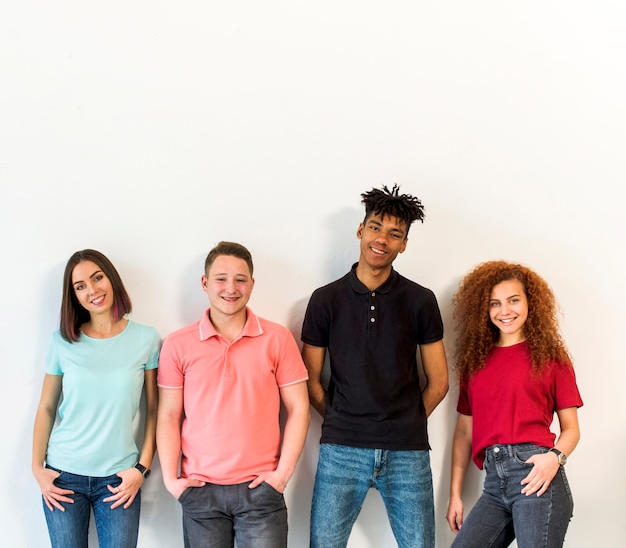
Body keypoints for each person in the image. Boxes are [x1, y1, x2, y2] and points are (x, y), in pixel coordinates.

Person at [301, 184, 449, 548]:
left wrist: (409, 422)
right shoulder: (325, 300)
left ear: (403, 244)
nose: (382, 238)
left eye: (395, 233)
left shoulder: (420, 300)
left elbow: (440, 381)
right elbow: (310, 379)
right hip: (342, 450)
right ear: (360, 229)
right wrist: (339, 419)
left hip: (407, 452)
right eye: (376, 226)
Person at [157, 241, 310, 548]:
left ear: (252, 285)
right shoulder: (178, 344)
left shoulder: (277, 338)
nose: (231, 288)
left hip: (261, 491)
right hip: (200, 491)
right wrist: (171, 482)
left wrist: (281, 476)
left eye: (240, 279)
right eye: (221, 278)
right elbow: (169, 414)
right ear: (205, 283)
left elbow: (299, 408)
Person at [446, 261, 583, 548]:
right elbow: (463, 433)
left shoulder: (551, 357)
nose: (504, 311)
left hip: (538, 476)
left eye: (513, 300)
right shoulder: (475, 362)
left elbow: (571, 429)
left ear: (530, 302)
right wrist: (455, 494)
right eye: (494, 303)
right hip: (494, 484)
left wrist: (554, 458)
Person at [32, 249, 161, 548]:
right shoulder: (62, 341)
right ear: (74, 296)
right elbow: (47, 407)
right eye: (80, 286)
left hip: (119, 480)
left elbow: (154, 408)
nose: (93, 290)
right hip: (63, 476)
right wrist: (37, 469)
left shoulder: (146, 339)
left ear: (111, 278)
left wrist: (142, 469)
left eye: (97, 278)